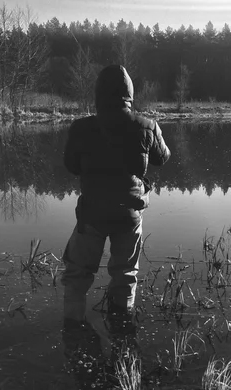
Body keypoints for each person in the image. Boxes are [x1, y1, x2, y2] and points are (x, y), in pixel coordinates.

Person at [61, 64, 171, 326]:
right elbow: (163, 158)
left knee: (77, 275)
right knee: (125, 275)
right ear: (129, 95)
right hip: (129, 213)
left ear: (98, 95)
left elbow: (71, 166)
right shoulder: (147, 126)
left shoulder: (81, 128)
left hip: (92, 215)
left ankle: (73, 329)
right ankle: (122, 332)